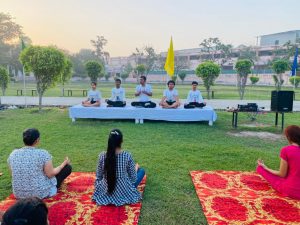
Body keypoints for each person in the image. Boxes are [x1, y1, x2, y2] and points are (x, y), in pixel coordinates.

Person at [7, 128, 72, 199]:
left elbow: (13, 174)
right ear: (37, 140)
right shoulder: (42, 153)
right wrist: (63, 164)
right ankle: (55, 186)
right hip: (40, 194)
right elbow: (50, 174)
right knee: (67, 168)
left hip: (19, 194)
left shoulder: (13, 154)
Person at [92, 129, 145, 206]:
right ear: (121, 141)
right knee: (142, 171)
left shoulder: (102, 156)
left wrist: (100, 186)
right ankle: (136, 169)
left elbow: (98, 176)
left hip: (105, 190)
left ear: (109, 141)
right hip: (124, 191)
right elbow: (133, 179)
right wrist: (135, 169)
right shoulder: (127, 156)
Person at [257, 125, 300, 200]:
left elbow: (282, 174)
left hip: (291, 190)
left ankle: (262, 168)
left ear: (288, 137)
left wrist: (266, 168)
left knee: (260, 169)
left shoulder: (286, 150)